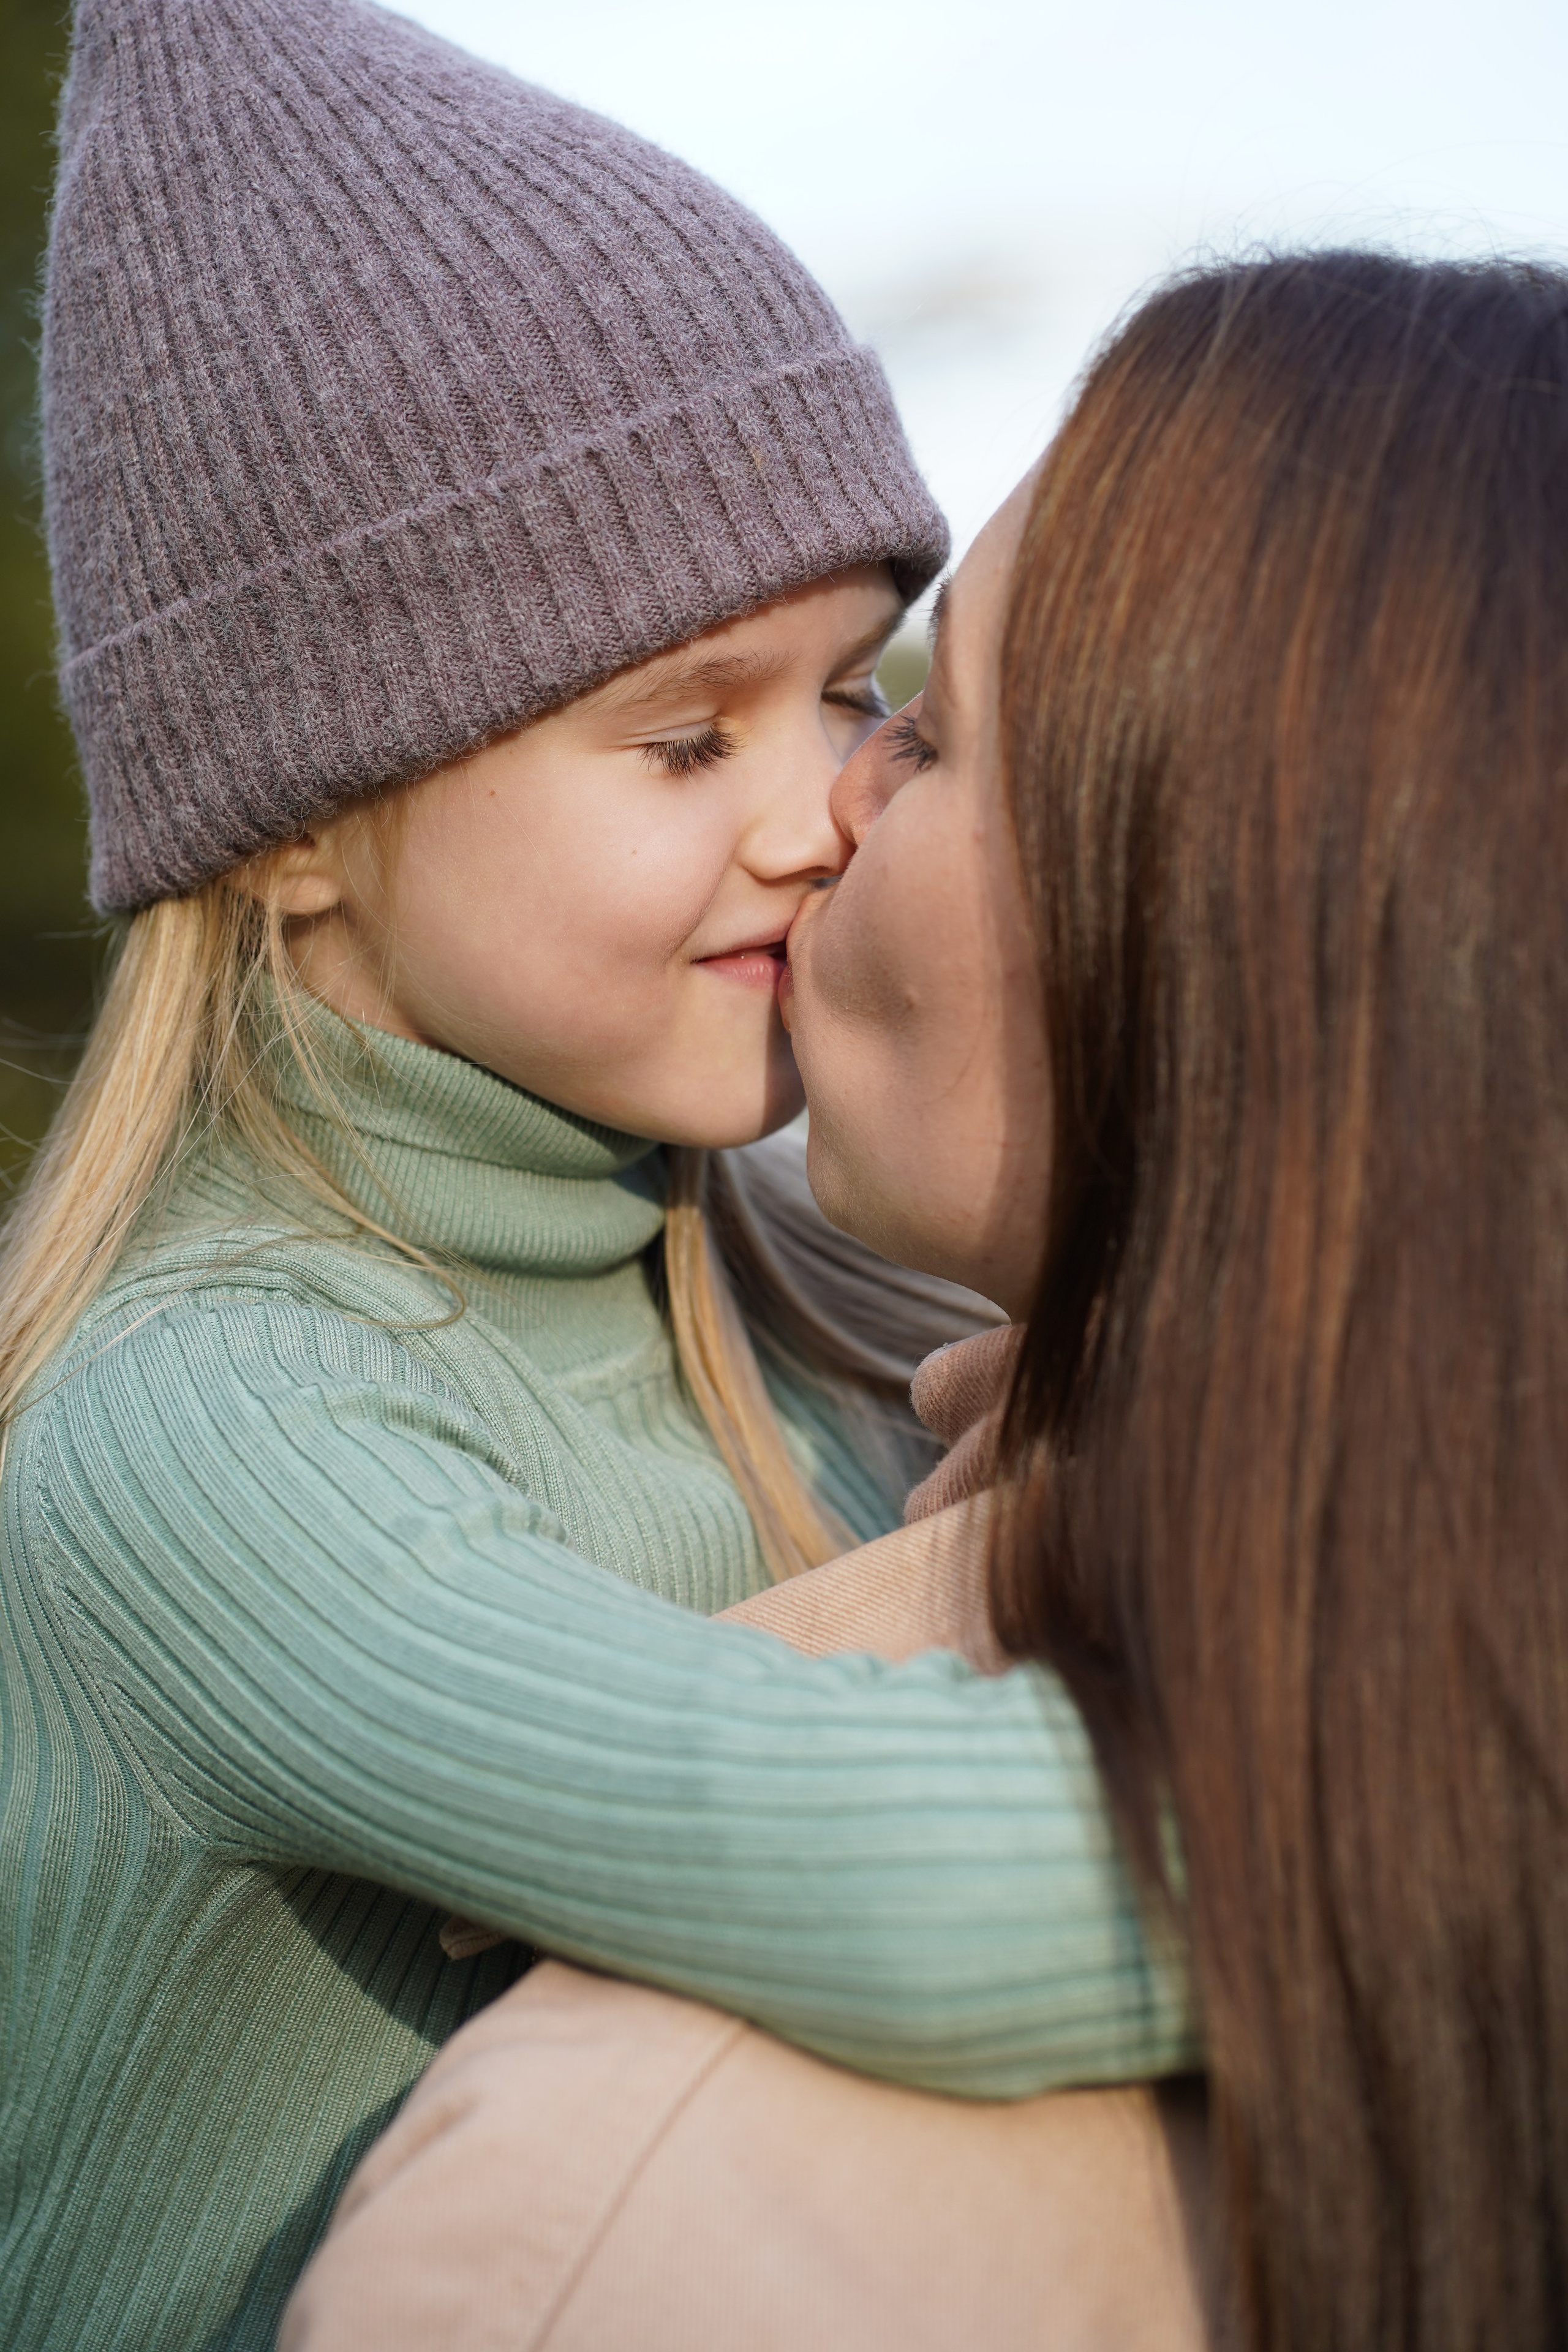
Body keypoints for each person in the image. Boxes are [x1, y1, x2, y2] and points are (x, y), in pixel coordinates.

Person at [1, 2, 1197, 2344]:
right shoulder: (215, 1423)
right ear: (293, 840)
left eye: (857, 691)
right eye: (680, 735)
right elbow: (911, 1892)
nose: (816, 811)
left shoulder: (752, 1268)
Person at [290, 248, 1568, 2351]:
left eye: (930, 725)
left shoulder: (627, 2214)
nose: (831, 808)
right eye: (694, 737)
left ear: (1245, 944)